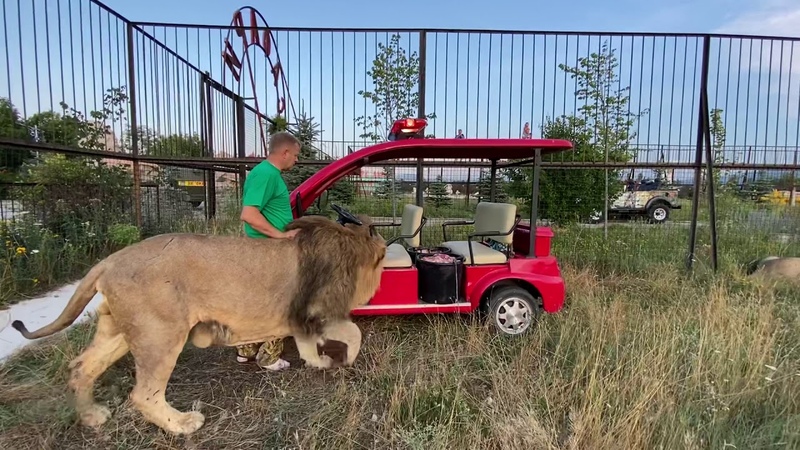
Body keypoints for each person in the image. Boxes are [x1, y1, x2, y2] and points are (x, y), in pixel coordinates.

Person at [236, 130, 302, 371]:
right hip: (268, 250)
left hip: (261, 249)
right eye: (295, 155)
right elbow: (249, 214)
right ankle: (270, 357)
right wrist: (281, 235)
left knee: (257, 303)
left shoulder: (265, 173)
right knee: (281, 302)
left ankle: (246, 350)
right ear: (284, 152)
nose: (296, 160)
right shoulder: (267, 174)